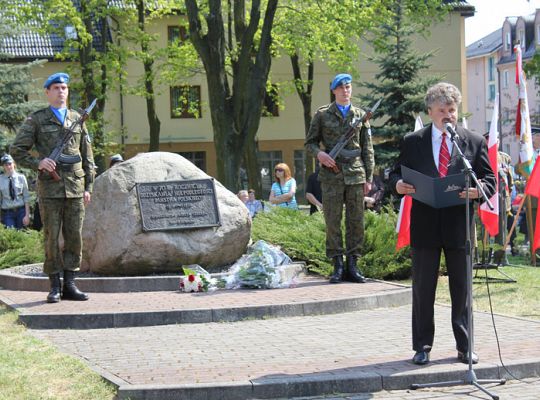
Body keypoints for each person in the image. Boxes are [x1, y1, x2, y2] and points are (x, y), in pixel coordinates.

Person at [389, 82, 496, 366]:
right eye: (441, 110)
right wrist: (398, 185)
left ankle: (465, 346)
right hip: (424, 225)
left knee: (462, 289)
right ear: (430, 111)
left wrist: (478, 190)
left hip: (459, 225)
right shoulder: (413, 141)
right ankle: (422, 346)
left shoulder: (472, 141)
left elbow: (489, 180)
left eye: (451, 109)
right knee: (423, 289)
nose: (447, 115)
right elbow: (394, 175)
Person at [11, 72, 95, 304]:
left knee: (74, 237)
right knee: (50, 238)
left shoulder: (78, 119)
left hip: (76, 189)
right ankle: (54, 286)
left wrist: (89, 186)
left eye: (64, 88)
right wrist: (38, 162)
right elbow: (17, 149)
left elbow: (87, 157)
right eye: (56, 88)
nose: (61, 91)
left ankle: (70, 284)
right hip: (50, 190)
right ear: (47, 92)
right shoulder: (37, 119)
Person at [305, 73, 375, 284]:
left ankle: (353, 264)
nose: (346, 90)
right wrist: (320, 154)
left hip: (355, 173)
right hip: (332, 173)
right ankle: (337, 265)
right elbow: (310, 143)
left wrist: (369, 177)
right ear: (334, 90)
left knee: (356, 221)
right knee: (333, 221)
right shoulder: (323, 115)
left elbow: (368, 149)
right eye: (342, 87)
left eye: (349, 86)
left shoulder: (361, 116)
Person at [0, 154, 31, 229]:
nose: (8, 166)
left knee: (22, 235)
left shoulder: (21, 178)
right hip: (8, 212)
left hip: (21, 211)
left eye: (10, 164)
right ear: (3, 166)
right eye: (6, 165)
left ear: (14, 164)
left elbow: (26, 197)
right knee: (11, 234)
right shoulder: (0, 179)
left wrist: (27, 215)